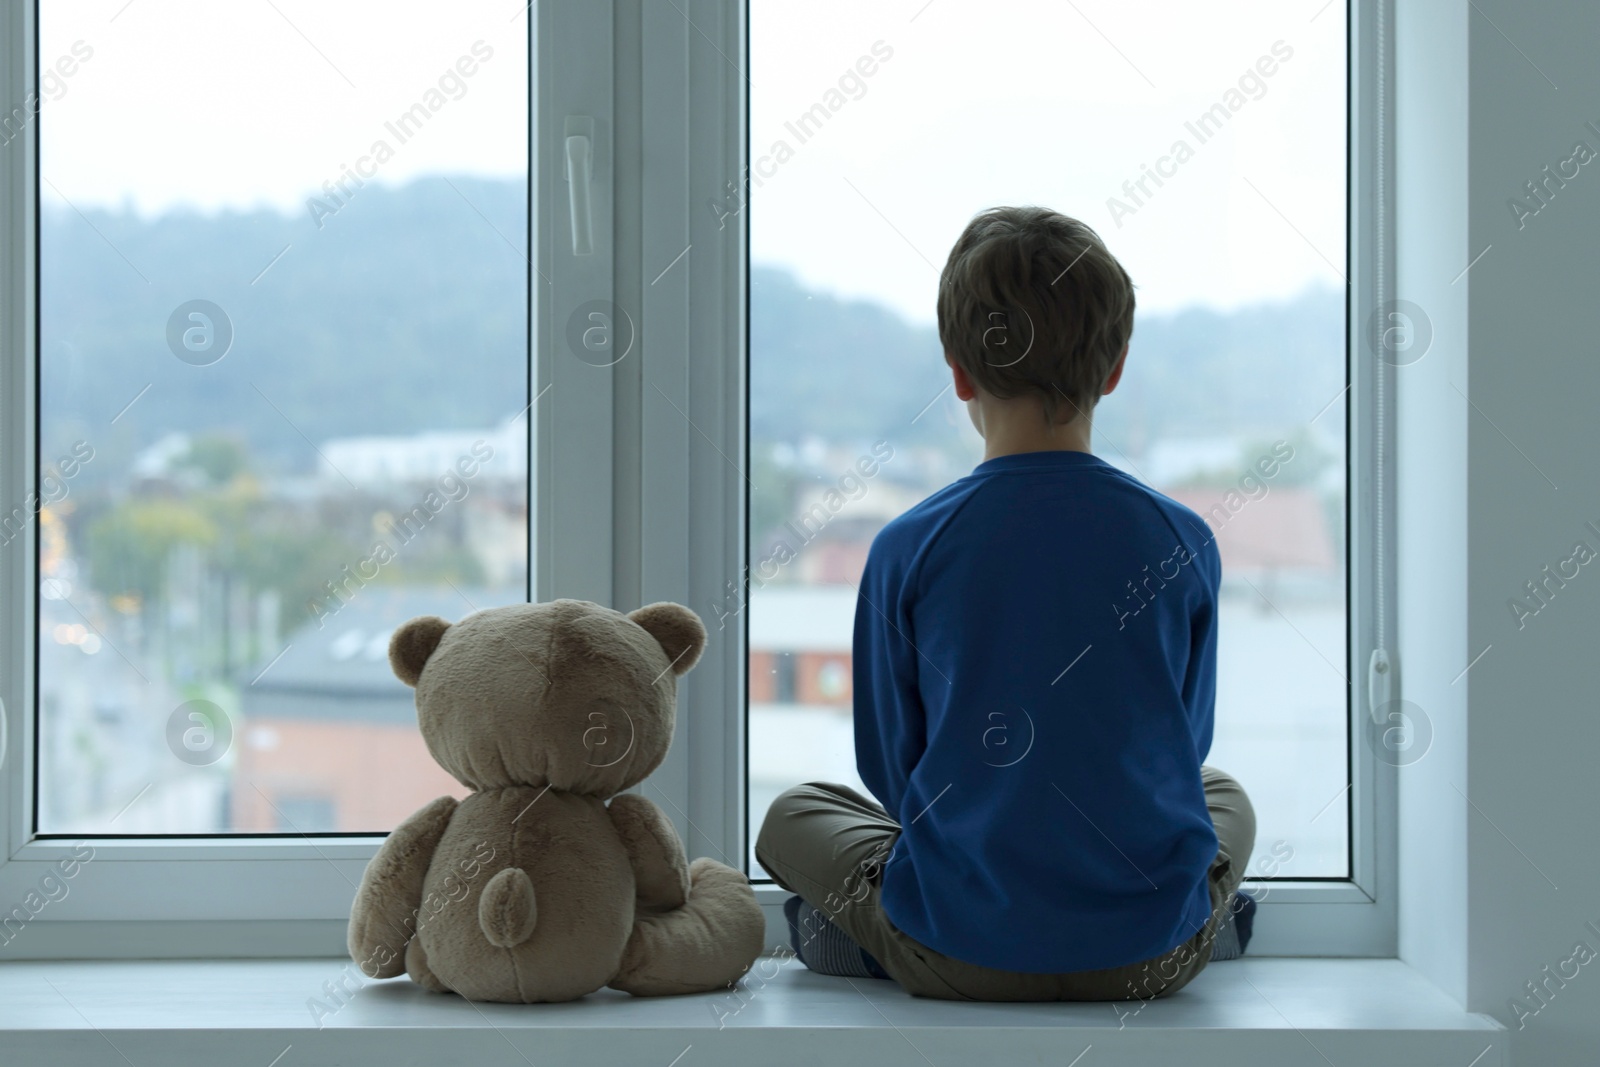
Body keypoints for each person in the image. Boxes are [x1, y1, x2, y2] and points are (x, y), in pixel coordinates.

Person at [754, 206, 1257, 1002]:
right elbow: (1182, 748)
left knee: (793, 812)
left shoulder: (907, 546)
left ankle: (864, 941)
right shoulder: (1183, 537)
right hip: (1152, 952)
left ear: (958, 372)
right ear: (1116, 365)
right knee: (1226, 795)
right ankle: (1208, 918)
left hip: (961, 946)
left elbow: (891, 767)